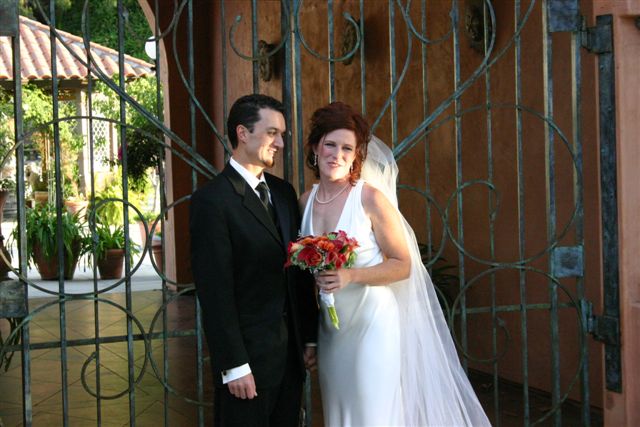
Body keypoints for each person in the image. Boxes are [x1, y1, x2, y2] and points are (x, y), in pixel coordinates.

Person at [299, 102, 491, 426]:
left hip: (372, 325)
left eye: (347, 148)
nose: (337, 155)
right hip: (332, 330)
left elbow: (403, 264)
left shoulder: (369, 198)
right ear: (316, 147)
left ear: (357, 155)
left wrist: (351, 275)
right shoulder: (305, 201)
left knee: (373, 415)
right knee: (339, 412)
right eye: (330, 145)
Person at [190, 94, 318, 427]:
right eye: (272, 133)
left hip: (290, 360)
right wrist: (234, 365)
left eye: (282, 134)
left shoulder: (284, 193)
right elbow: (215, 292)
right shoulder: (212, 202)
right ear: (243, 133)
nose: (281, 143)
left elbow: (299, 272)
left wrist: (308, 336)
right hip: (246, 365)